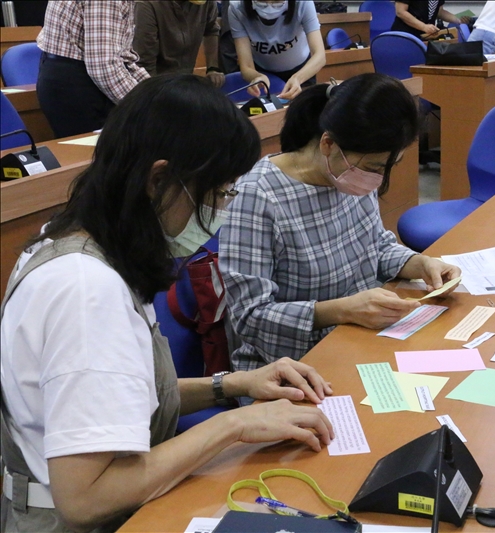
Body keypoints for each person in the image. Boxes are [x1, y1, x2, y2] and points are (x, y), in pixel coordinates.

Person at [0, 75, 334, 533]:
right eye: (217, 193)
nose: (220, 211)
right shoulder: (86, 291)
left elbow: (115, 394)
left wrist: (233, 384)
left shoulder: (69, 240)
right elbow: (85, 498)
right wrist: (233, 426)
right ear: (158, 180)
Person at [220, 73, 462, 376]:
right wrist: (342, 310)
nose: (378, 179)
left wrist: (421, 264)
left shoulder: (350, 174)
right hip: (293, 367)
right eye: (374, 167)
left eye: (389, 166)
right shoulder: (258, 197)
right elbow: (249, 315)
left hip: (362, 337)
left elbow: (375, 246)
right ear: (328, 144)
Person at [36, 0, 149, 138]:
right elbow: (103, 68)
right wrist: (145, 106)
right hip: (76, 84)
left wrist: (156, 92)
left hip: (72, 75)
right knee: (96, 151)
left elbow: (124, 57)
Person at [228, 0, 325, 100]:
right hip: (262, 72)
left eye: (277, 1)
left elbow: (319, 55)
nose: (269, 7)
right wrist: (256, 77)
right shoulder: (237, 7)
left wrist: (298, 78)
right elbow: (246, 66)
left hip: (302, 70)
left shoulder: (303, 3)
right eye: (263, 1)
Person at [133, 0, 226, 88]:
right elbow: (146, 64)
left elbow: (211, 30)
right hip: (156, 82)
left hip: (185, 80)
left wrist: (212, 68)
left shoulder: (205, 3)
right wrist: (157, 93)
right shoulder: (147, 5)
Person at [391, 0, 469, 40]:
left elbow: (439, 12)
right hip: (405, 35)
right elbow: (400, 11)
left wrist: (458, 20)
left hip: (426, 36)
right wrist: (423, 27)